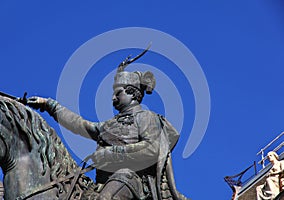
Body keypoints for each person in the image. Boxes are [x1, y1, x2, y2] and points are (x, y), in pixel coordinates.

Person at [27, 49, 188, 200]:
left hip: (132, 180)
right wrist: (49, 104)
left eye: (118, 93)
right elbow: (80, 125)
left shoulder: (147, 117)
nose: (113, 98)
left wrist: (112, 153)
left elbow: (152, 149)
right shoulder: (110, 124)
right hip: (104, 182)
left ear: (133, 93)